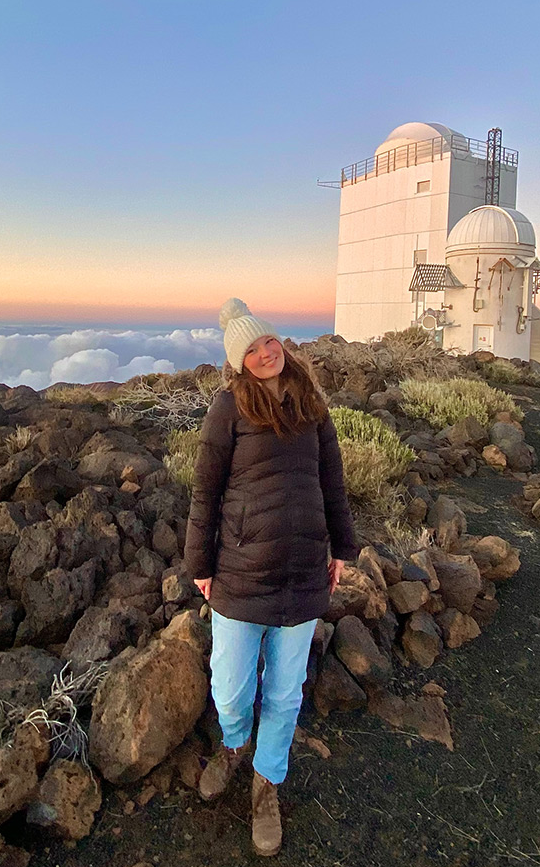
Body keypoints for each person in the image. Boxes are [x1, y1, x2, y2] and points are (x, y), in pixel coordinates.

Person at [184, 297, 358, 857]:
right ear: (238, 363)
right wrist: (200, 565)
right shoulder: (228, 408)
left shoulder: (312, 404)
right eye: (252, 349)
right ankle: (234, 745)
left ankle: (266, 785)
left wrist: (344, 549)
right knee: (231, 689)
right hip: (241, 572)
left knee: (285, 694)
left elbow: (332, 482)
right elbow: (205, 492)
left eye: (270, 341)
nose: (266, 352)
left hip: (305, 571)